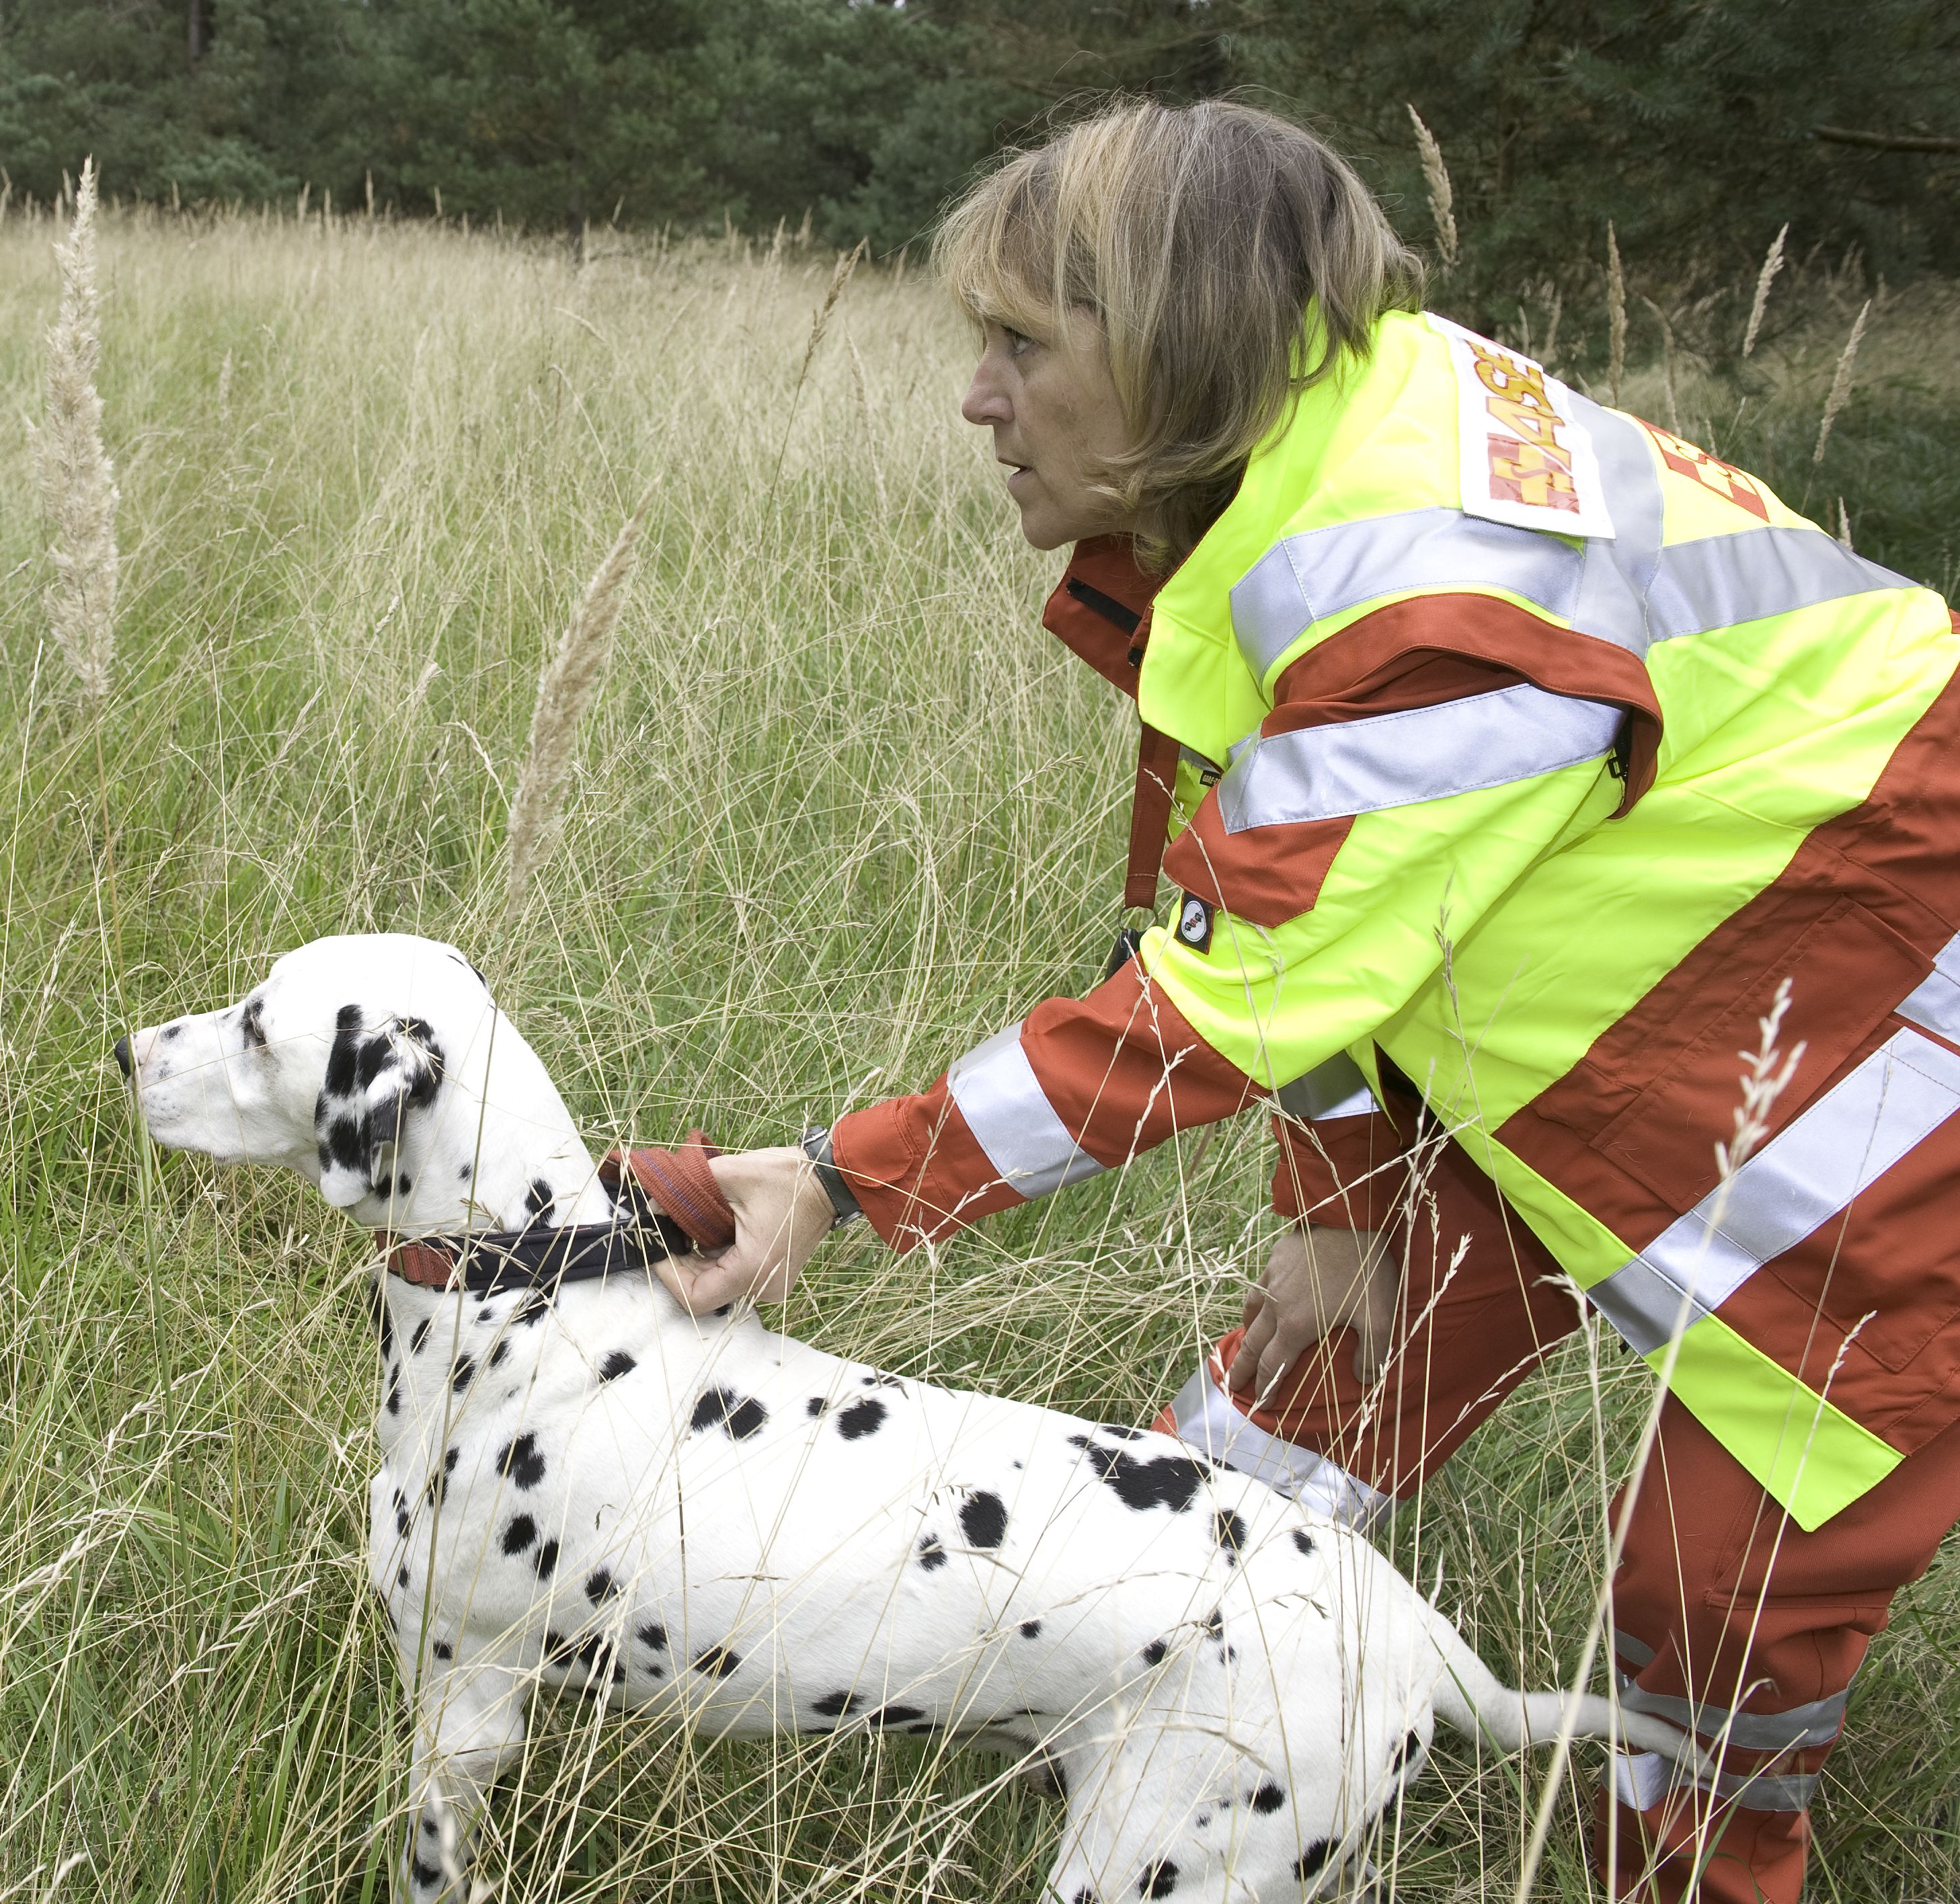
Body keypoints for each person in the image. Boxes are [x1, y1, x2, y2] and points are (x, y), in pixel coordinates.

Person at [664, 100, 1960, 1903]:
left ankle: (1696, 1866)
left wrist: (838, 1175)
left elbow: (1239, 980)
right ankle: (1142, 1786)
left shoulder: (1430, 588)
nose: (978, 396)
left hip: (1889, 1075)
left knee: (1711, 1603)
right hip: (1608, 1021)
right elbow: (1335, 886)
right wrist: (1340, 1199)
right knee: (1271, 1415)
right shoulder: (1318, 466)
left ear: (1192, 346)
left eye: (1025, 345)